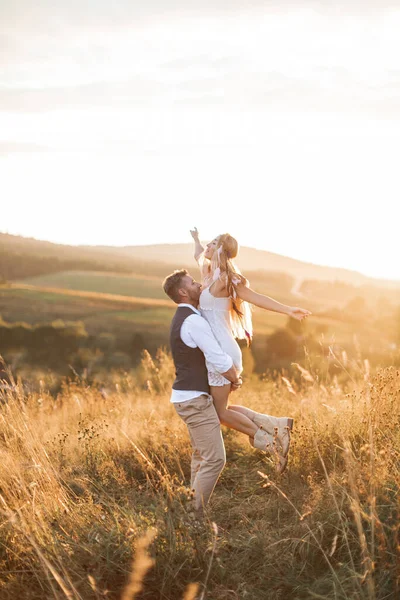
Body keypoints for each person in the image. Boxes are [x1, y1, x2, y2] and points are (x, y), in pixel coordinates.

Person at [190, 227, 312, 471]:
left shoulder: (228, 280)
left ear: (221, 250)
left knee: (219, 413)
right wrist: (196, 239)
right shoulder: (207, 273)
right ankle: (277, 425)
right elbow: (197, 254)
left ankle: (273, 443)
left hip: (223, 352)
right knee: (219, 408)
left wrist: (288, 310)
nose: (207, 247)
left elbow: (256, 298)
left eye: (212, 244)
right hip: (215, 351)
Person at [163, 269, 243, 517]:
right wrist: (234, 376)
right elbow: (217, 357)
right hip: (194, 401)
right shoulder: (194, 321)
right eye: (193, 283)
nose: (199, 285)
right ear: (183, 292)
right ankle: (193, 518)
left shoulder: (186, 317)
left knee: (201, 456)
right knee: (215, 459)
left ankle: (190, 508)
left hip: (188, 398)